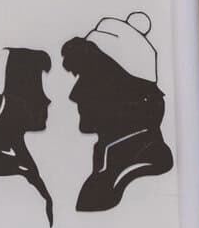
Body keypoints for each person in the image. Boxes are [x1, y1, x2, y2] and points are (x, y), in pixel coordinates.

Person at [60, 11, 173, 213]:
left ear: (131, 93)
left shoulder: (140, 170)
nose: (74, 94)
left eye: (90, 81)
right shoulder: (110, 166)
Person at [0, 47, 54, 226]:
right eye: (34, 89)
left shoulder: (24, 168)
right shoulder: (15, 188)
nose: (47, 99)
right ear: (0, 104)